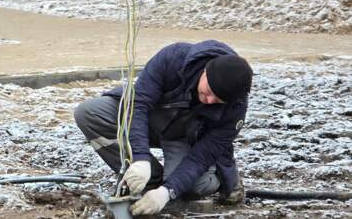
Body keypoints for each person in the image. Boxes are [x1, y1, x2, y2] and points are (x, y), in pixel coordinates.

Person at [74, 40, 253, 215]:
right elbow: (139, 104)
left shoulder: (235, 109)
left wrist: (166, 193)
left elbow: (200, 158)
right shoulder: (173, 58)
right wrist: (140, 158)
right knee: (89, 113)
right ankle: (148, 181)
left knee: (193, 187)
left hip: (187, 137)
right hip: (153, 117)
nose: (210, 100)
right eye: (210, 91)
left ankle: (220, 178)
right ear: (206, 71)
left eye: (218, 100)